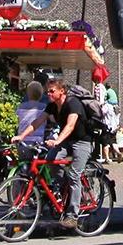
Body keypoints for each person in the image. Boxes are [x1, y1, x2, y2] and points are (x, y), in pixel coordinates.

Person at [41, 77, 94, 230]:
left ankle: (72, 214)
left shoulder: (73, 103)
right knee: (50, 159)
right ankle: (63, 189)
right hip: (67, 141)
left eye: (52, 91)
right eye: (47, 92)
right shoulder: (52, 106)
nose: (49, 94)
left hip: (82, 142)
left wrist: (57, 141)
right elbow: (38, 121)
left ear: (61, 91)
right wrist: (22, 136)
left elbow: (70, 126)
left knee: (74, 175)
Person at [14, 80, 49, 145]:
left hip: (22, 139)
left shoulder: (21, 106)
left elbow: (17, 120)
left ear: (28, 94)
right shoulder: (44, 107)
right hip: (38, 140)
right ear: (41, 94)